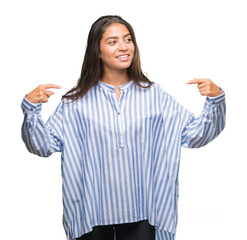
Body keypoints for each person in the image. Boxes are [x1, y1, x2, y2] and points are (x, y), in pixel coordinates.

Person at [21, 15, 226, 240]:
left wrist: (215, 101)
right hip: (89, 213)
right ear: (96, 51)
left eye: (128, 40)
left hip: (145, 211)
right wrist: (31, 109)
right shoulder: (75, 102)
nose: (123, 47)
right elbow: (43, 147)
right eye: (113, 41)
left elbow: (193, 136)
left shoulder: (154, 96)